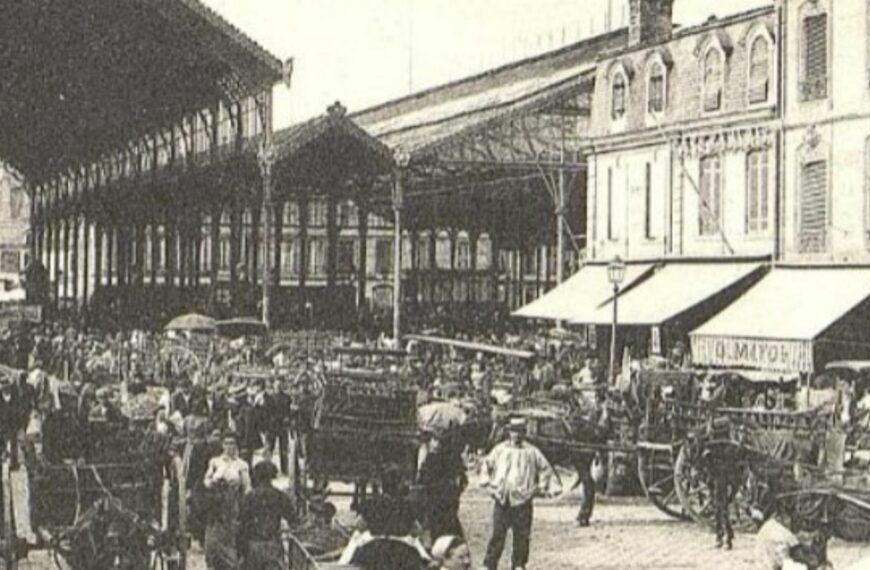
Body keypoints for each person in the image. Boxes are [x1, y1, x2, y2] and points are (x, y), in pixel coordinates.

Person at [479, 416, 558, 570]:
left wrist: (540, 487)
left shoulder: (532, 451)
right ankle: (489, 564)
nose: (516, 435)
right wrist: (488, 484)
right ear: (509, 433)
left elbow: (545, 469)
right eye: (514, 432)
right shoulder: (500, 450)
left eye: (520, 432)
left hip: (523, 500)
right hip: (502, 498)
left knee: (521, 536)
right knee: (497, 534)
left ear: (524, 433)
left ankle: (519, 564)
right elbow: (486, 465)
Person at [203, 432, 251, 570]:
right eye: (226, 443)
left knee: (231, 540)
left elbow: (247, 487)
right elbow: (206, 481)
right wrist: (214, 481)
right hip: (216, 505)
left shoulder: (241, 465)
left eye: (232, 444)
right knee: (214, 539)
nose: (229, 447)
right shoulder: (215, 462)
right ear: (222, 445)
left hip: (233, 505)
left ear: (236, 446)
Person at [238, 461, 297, 570]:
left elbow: (242, 525)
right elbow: (292, 518)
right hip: (273, 546)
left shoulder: (249, 497)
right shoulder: (280, 496)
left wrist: (241, 551)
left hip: (253, 547)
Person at [416, 427, 466, 542]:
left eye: (437, 441)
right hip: (448, 502)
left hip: (436, 502)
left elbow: (422, 480)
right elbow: (462, 481)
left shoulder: (432, 459)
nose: (435, 444)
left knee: (437, 531)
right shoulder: (453, 459)